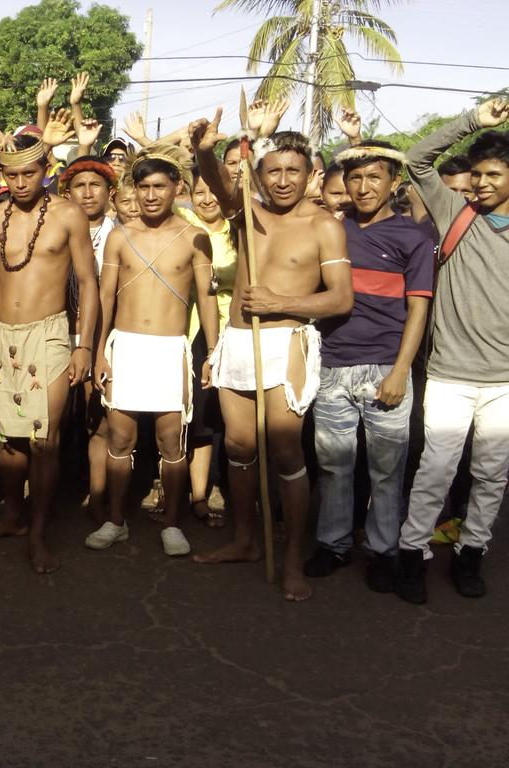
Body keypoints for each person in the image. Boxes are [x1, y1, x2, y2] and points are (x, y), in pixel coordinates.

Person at [190, 111, 353, 601]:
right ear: (259, 175)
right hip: (239, 342)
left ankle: (292, 561)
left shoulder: (324, 225)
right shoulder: (248, 210)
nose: (283, 181)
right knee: (239, 448)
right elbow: (220, 188)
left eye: (293, 171)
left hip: (287, 344)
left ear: (310, 175)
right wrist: (202, 152)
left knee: (285, 451)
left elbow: (340, 298)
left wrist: (281, 303)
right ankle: (244, 541)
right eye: (273, 172)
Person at [0, 135, 99, 573]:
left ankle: (38, 534)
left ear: (46, 169)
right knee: (8, 440)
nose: (20, 183)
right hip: (1, 335)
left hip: (51, 334)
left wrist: (85, 345)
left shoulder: (68, 215)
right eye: (11, 174)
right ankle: (13, 517)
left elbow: (89, 284)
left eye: (29, 173)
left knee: (44, 442)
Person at [306, 141, 434, 593]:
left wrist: (401, 371)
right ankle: (333, 544)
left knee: (386, 471)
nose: (363, 187)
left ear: (393, 183)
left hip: (385, 369)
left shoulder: (413, 237)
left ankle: (383, 552)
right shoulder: (334, 230)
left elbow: (417, 310)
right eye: (355, 179)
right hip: (333, 366)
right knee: (335, 465)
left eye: (374, 177)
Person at [397, 97, 509, 603]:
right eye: (478, 174)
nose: (482, 183)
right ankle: (412, 554)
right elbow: (417, 159)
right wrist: (472, 122)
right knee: (436, 470)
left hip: (504, 382)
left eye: (494, 175)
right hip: (448, 375)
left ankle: (471, 554)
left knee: (491, 475)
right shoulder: (455, 214)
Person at [89, 143, 219, 555]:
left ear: (176, 187)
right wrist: (97, 352)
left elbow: (207, 298)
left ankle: (173, 523)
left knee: (171, 441)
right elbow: (105, 297)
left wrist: (213, 352)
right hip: (124, 346)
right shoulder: (119, 236)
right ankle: (116, 519)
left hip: (170, 350)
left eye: (159, 186)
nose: (149, 195)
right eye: (143, 186)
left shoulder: (195, 236)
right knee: (120, 439)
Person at [175, 164, 238, 527]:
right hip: (189, 327)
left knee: (222, 419)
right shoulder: (182, 222)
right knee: (190, 416)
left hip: (232, 330)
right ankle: (184, 491)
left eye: (214, 190)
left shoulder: (240, 230)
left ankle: (215, 489)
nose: (207, 198)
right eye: (199, 191)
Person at [60, 156, 117, 523]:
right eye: (79, 186)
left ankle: (98, 495)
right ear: (67, 192)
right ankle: (57, 492)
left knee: (100, 419)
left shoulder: (122, 233)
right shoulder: (54, 229)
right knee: (56, 418)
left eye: (95, 185)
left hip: (105, 336)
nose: (88, 193)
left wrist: (99, 346)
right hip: (57, 332)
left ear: (111, 193)